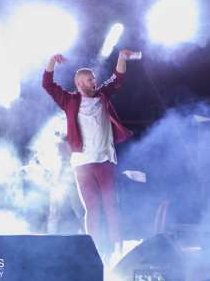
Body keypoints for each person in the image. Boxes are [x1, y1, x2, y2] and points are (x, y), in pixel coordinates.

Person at [42, 50, 138, 259]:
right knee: (92, 209)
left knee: (112, 206)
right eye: (89, 80)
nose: (94, 82)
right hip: (82, 164)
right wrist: (51, 62)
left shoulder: (103, 95)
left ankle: (117, 249)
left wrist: (122, 57)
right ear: (79, 83)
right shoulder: (69, 100)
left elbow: (118, 78)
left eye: (94, 78)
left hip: (104, 161)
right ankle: (92, 250)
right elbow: (48, 85)